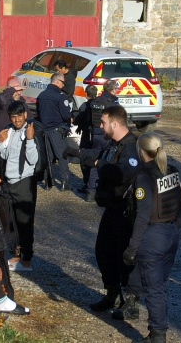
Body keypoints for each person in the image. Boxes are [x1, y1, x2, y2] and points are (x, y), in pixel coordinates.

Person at [68, 105, 140, 313]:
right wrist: (77, 153)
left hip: (126, 212)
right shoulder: (112, 144)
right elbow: (97, 155)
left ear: (115, 124)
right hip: (111, 210)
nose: (100, 126)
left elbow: (123, 174)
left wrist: (99, 164)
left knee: (125, 257)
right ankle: (112, 294)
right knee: (104, 252)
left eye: (103, 123)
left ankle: (131, 302)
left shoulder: (131, 147)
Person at [115, 133, 181, 343]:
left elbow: (143, 215)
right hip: (170, 234)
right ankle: (153, 328)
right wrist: (175, 230)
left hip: (153, 236)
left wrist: (132, 248)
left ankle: (157, 335)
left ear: (140, 151)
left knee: (154, 290)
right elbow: (180, 205)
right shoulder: (171, 171)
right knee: (160, 286)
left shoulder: (144, 178)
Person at [0, 101, 39, 273]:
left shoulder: (31, 130)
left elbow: (33, 159)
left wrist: (29, 139)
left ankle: (27, 258)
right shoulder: (9, 131)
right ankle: (15, 254)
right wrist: (0, 142)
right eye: (13, 117)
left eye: (19, 116)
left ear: (25, 115)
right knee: (12, 222)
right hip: (9, 182)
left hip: (24, 182)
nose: (17, 120)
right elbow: (6, 155)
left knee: (25, 222)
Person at [82, 79, 119, 200]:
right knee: (108, 163)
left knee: (94, 162)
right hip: (108, 136)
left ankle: (90, 192)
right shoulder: (114, 104)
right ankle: (104, 189)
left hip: (95, 136)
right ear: (113, 90)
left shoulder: (95, 102)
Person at [37, 72, 73, 190]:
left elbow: (39, 113)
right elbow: (66, 115)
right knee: (62, 155)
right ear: (58, 81)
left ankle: (48, 182)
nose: (64, 85)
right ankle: (64, 182)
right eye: (63, 82)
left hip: (45, 131)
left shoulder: (41, 95)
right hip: (57, 130)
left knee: (48, 157)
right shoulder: (60, 96)